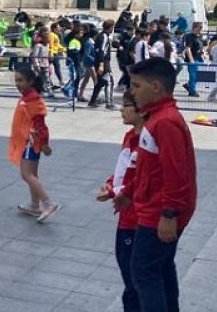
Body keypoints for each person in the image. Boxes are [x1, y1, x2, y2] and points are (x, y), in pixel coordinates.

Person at [123, 57, 198, 312]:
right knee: (161, 268)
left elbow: (177, 173)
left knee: (143, 272)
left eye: (136, 85)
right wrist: (130, 193)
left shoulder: (165, 122)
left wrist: (169, 214)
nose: (132, 92)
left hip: (159, 212)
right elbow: (148, 168)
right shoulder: (156, 119)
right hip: (153, 207)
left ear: (155, 87)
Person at [96, 91, 143, 312]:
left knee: (135, 280)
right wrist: (110, 184)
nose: (121, 109)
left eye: (126, 105)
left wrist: (117, 192)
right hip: (126, 214)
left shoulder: (147, 140)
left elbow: (143, 179)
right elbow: (125, 170)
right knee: (129, 276)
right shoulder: (129, 136)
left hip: (137, 219)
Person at [9, 66, 59, 222]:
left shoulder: (33, 99)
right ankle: (34, 205)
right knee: (33, 175)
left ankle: (48, 203)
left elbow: (40, 125)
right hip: (28, 141)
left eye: (21, 80)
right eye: (16, 80)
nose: (17, 84)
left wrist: (45, 144)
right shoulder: (27, 97)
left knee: (26, 174)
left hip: (30, 142)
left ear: (30, 81)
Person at [179, 21, 205, 97]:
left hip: (199, 58)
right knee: (193, 75)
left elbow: (200, 46)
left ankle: (189, 86)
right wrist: (191, 60)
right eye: (200, 27)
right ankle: (192, 91)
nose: (201, 29)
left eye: (201, 27)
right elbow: (188, 48)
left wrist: (203, 53)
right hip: (193, 58)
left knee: (198, 76)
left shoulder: (199, 36)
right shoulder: (190, 36)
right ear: (195, 27)